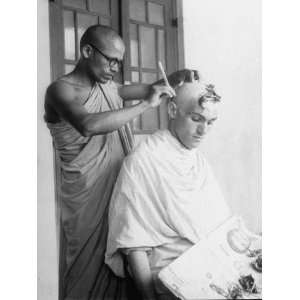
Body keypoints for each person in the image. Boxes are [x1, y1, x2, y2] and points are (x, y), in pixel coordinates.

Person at [44, 24, 198, 300]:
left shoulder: (110, 88)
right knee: (86, 272)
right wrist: (145, 106)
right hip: (87, 197)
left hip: (120, 187)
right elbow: (88, 125)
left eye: (119, 61)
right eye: (110, 59)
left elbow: (151, 88)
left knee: (126, 258)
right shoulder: (60, 90)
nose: (115, 67)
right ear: (87, 51)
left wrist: (176, 78)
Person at [105, 81, 232, 300]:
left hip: (208, 268)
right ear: (173, 110)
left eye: (211, 122)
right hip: (169, 277)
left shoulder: (197, 159)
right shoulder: (143, 161)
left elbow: (219, 224)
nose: (203, 131)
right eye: (196, 119)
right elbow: (134, 244)